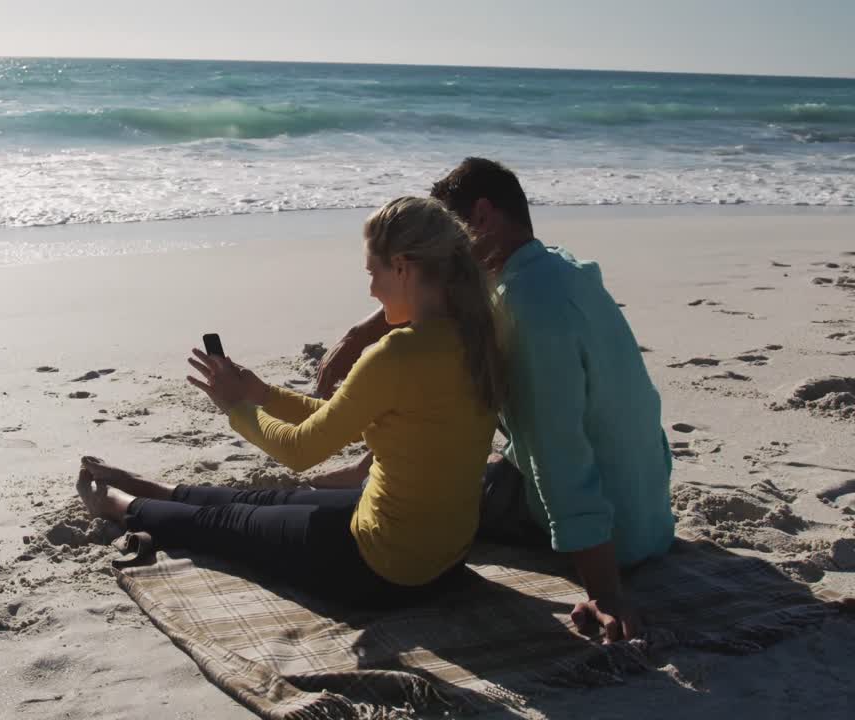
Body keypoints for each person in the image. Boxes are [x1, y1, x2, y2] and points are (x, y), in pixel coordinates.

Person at [75, 196, 503, 608]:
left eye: (372, 273)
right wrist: (260, 394)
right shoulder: (476, 337)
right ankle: (159, 491)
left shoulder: (396, 354)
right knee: (268, 502)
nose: (371, 290)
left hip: (382, 572)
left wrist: (235, 409)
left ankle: (115, 503)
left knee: (225, 527)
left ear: (402, 268)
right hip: (443, 558)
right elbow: (341, 419)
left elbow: (300, 451)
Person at [315, 158, 674, 640]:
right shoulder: (558, 269)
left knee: (437, 491)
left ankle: (367, 478)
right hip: (649, 511)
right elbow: (450, 294)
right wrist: (363, 330)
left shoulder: (528, 314)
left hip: (614, 536)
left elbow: (558, 456)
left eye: (449, 244)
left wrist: (605, 592)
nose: (444, 259)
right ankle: (367, 468)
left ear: (482, 218)